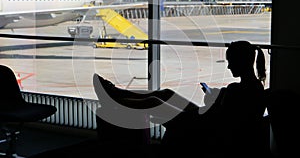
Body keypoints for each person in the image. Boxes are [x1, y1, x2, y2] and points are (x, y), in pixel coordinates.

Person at [93, 40, 268, 157]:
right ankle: (119, 93)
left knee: (156, 101)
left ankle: (116, 98)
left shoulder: (236, 90)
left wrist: (211, 100)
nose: (229, 66)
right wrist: (217, 97)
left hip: (201, 127)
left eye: (231, 61)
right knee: (166, 93)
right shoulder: (254, 87)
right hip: (205, 121)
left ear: (241, 62)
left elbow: (215, 116)